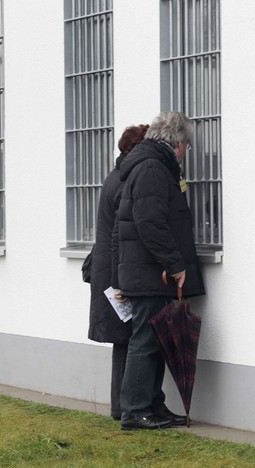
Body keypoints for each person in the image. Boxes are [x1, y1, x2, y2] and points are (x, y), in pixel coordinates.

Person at [114, 111, 206, 430]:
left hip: (148, 271)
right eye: (186, 146)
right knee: (146, 342)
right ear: (177, 142)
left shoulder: (150, 164)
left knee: (154, 341)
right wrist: (175, 264)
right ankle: (136, 410)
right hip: (149, 273)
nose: (185, 152)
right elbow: (150, 222)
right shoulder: (153, 167)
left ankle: (152, 406)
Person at [88, 124, 150, 420]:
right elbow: (118, 236)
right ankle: (124, 406)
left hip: (107, 269)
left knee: (122, 340)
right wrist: (119, 282)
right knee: (128, 339)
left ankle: (119, 405)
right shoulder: (126, 181)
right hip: (115, 272)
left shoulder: (114, 177)